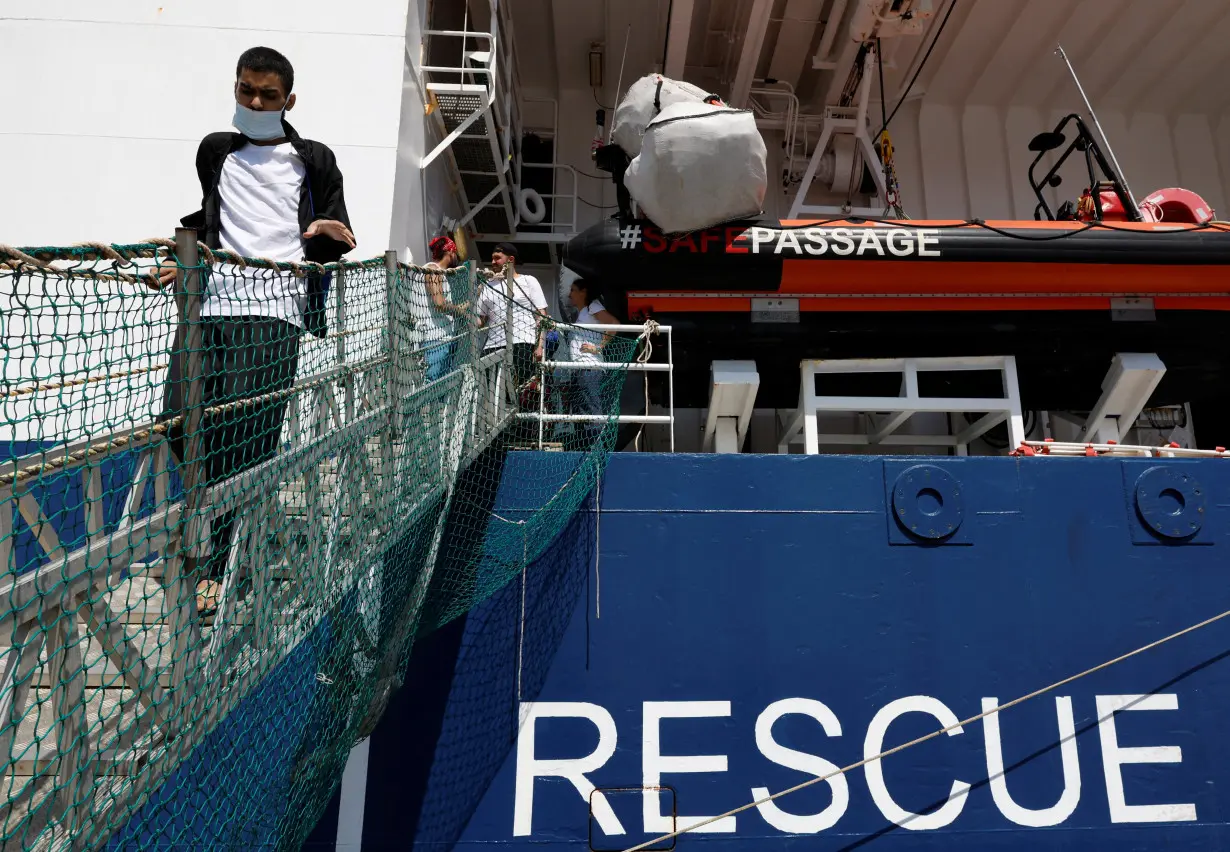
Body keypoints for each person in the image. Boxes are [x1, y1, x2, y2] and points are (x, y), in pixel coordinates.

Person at [158, 46, 355, 617]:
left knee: (246, 431)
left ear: (288, 100)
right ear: (236, 88)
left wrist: (323, 232)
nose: (256, 102)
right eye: (247, 90)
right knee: (176, 417)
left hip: (277, 306)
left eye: (269, 95)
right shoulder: (215, 151)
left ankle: (212, 563)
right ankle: (208, 522)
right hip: (211, 303)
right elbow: (212, 215)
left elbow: (338, 233)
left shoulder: (313, 159)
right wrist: (183, 253)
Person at [564, 279, 621, 449]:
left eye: (573, 290)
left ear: (584, 292)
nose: (569, 294)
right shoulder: (581, 313)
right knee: (581, 411)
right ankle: (584, 446)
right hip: (579, 368)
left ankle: (595, 449)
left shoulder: (592, 306)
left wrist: (598, 347)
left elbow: (614, 325)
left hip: (590, 366)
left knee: (591, 408)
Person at [416, 235, 470, 382]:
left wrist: (473, 298)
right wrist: (463, 314)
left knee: (442, 386)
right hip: (434, 339)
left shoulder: (439, 273)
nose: (456, 257)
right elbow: (440, 304)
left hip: (443, 338)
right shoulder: (433, 270)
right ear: (450, 252)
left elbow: (445, 306)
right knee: (432, 383)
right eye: (455, 253)